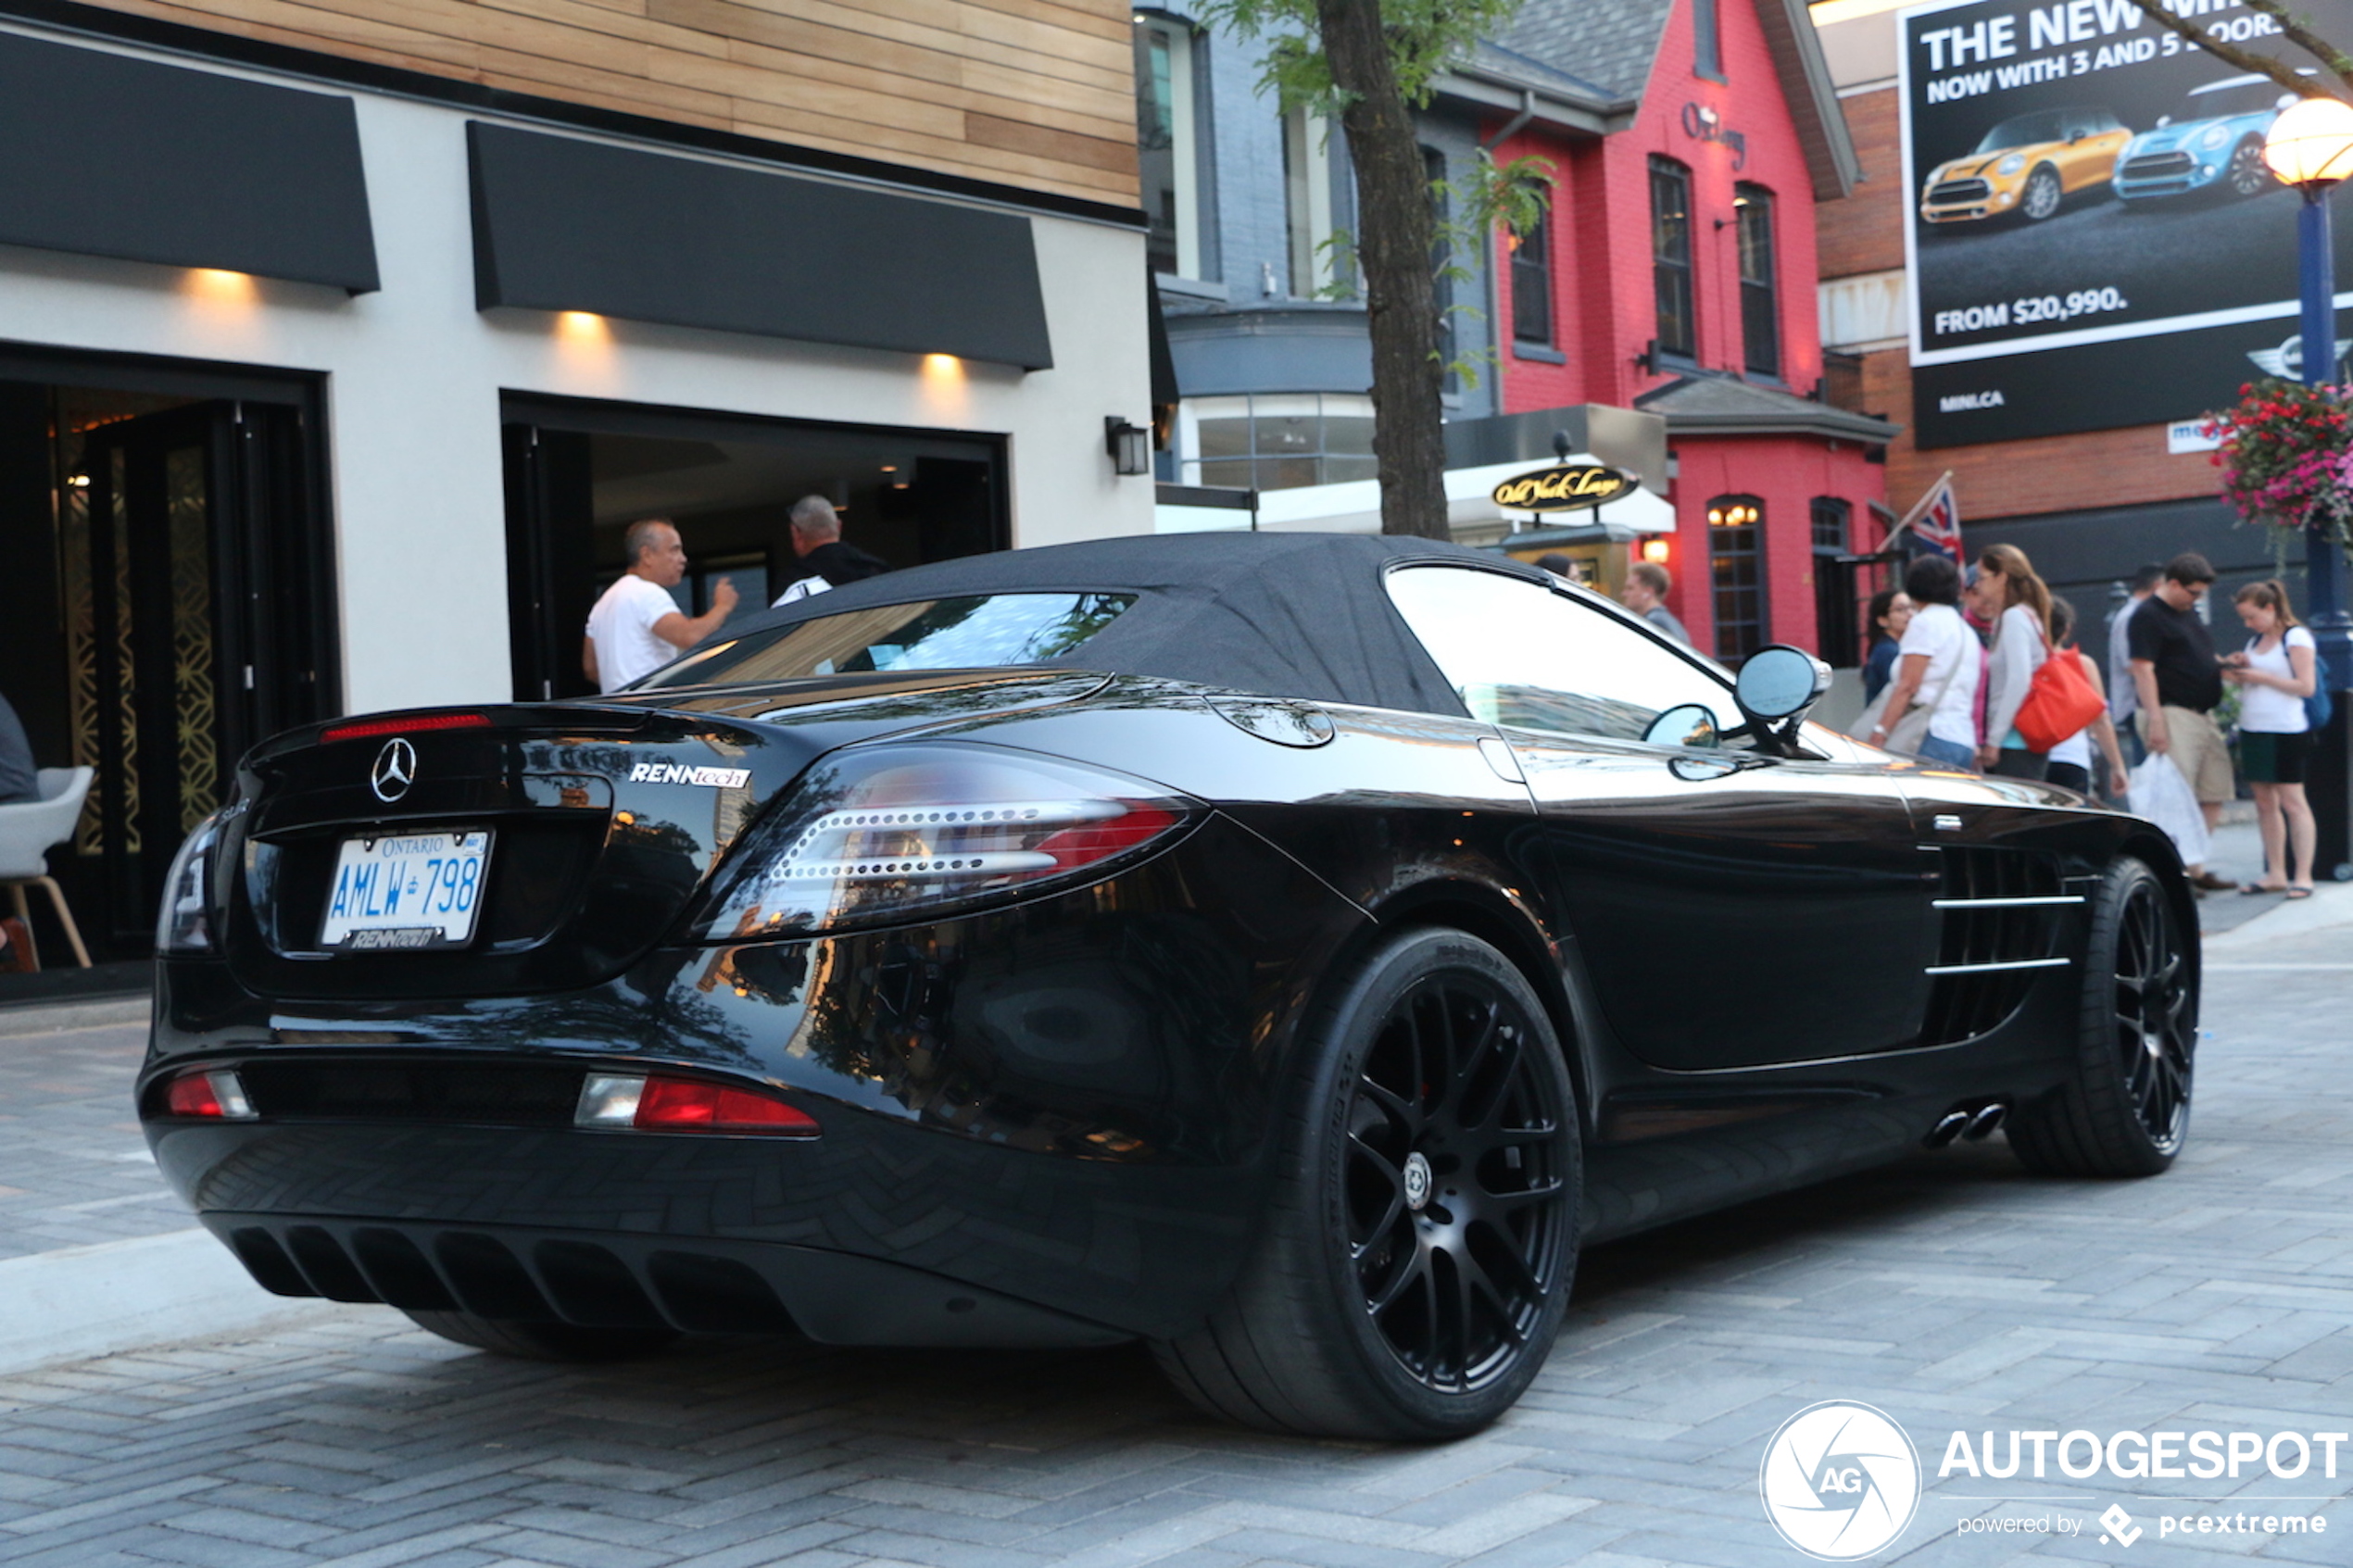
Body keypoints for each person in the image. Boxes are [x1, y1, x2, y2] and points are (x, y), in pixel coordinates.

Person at [2128, 551, 2234, 892]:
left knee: (2213, 791)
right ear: (2172, 584)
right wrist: (2156, 720)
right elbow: (2142, 669)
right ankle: (2176, 874)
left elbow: (2191, 657)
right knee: (2176, 796)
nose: (2196, 599)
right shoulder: (2147, 616)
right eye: (2192, 592)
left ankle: (2194, 866)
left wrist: (2220, 665)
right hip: (2172, 713)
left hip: (2202, 714)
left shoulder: (2187, 612)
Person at [2223, 579, 2318, 897]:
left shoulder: (2296, 636)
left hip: (2286, 728)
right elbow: (2254, 681)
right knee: (2264, 802)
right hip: (2254, 726)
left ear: (2270, 608)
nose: (2249, 624)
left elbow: (2306, 686)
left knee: (2293, 801)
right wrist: (2240, 669)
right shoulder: (2255, 642)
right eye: (2244, 619)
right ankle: (2275, 871)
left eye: (2252, 616)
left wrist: (2261, 676)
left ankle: (2303, 875)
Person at [583, 519, 737, 694]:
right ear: (647, 555)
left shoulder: (603, 603)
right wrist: (722, 606)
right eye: (675, 550)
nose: (683, 559)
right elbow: (690, 636)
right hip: (648, 708)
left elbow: (591, 668)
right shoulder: (646, 592)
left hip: (617, 709)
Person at [1868, 554, 1980, 770]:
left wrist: (1880, 732)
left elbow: (1908, 685)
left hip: (1929, 735)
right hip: (1962, 737)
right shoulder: (1965, 630)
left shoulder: (1925, 623)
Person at [1971, 543, 2057, 780]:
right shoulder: (2018, 616)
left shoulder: (2014, 617)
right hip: (2018, 738)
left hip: (2015, 740)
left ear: (2001, 578)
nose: (1977, 584)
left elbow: (2019, 680)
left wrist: (1994, 740)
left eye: (1982, 577)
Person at [2044, 598, 2130, 798]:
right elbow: (2101, 720)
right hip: (2072, 756)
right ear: (2067, 630)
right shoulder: (2083, 665)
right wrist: (2117, 766)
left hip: (2029, 755)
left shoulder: (2027, 662)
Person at [773, 495, 889, 605]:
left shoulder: (796, 583)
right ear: (839, 526)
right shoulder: (878, 570)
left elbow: (781, 624)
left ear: (795, 532)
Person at [2107, 562, 2163, 761]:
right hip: (2137, 705)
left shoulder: (2136, 614)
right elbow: (2132, 665)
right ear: (2158, 586)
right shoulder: (2132, 617)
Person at [1862, 587, 1916, 704]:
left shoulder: (1893, 647)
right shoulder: (1888, 651)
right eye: (1900, 609)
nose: (1910, 614)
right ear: (1883, 620)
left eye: (1912, 607)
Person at [1620, 560, 1691, 646]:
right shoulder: (1670, 622)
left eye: (1630, 588)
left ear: (1648, 592)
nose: (1624, 594)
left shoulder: (1654, 623)